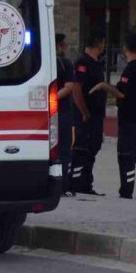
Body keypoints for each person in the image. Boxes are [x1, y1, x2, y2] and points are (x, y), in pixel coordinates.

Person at [93, 33, 136, 201]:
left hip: (129, 121)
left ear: (125, 49)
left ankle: (126, 192)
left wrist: (104, 86)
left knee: (126, 156)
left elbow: (122, 94)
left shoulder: (129, 70)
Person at [69, 32, 108, 195]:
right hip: (85, 115)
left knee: (93, 146)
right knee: (81, 149)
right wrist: (84, 111)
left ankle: (86, 184)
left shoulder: (96, 63)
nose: (105, 46)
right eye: (104, 43)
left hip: (97, 115)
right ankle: (74, 183)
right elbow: (76, 89)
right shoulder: (82, 63)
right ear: (99, 43)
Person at [55, 33, 88, 194]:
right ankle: (63, 186)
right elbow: (69, 87)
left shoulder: (39, 61)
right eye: (64, 44)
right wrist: (50, 100)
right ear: (60, 45)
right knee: (64, 149)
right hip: (61, 112)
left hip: (42, 112)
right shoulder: (65, 63)